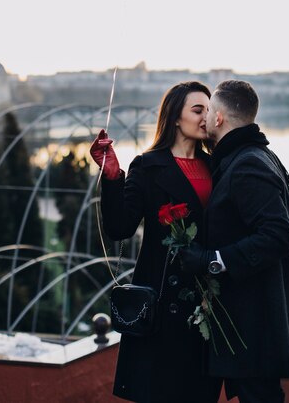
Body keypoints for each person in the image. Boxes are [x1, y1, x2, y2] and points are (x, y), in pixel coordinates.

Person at [180, 79, 289, 403]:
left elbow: (277, 236)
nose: (204, 119)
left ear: (219, 118)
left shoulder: (248, 165)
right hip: (255, 328)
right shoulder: (253, 157)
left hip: (257, 328)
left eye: (208, 110)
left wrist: (213, 260)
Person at [89, 81, 222, 403]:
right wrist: (111, 178)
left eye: (210, 110)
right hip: (163, 305)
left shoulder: (218, 165)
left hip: (210, 302)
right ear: (175, 116)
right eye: (197, 109)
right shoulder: (148, 166)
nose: (206, 117)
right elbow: (120, 228)